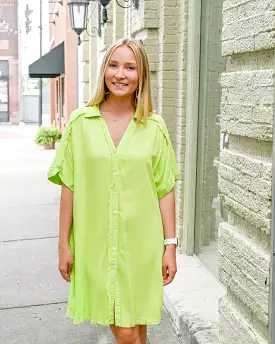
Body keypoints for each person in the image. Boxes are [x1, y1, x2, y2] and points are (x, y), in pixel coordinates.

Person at [48, 38, 180, 344]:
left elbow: (165, 189)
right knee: (126, 332)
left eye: (130, 67)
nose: (120, 74)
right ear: (104, 71)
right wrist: (63, 245)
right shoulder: (81, 122)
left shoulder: (154, 126)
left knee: (137, 327)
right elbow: (69, 186)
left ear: (141, 76)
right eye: (113, 65)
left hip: (142, 245)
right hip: (96, 243)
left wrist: (170, 246)